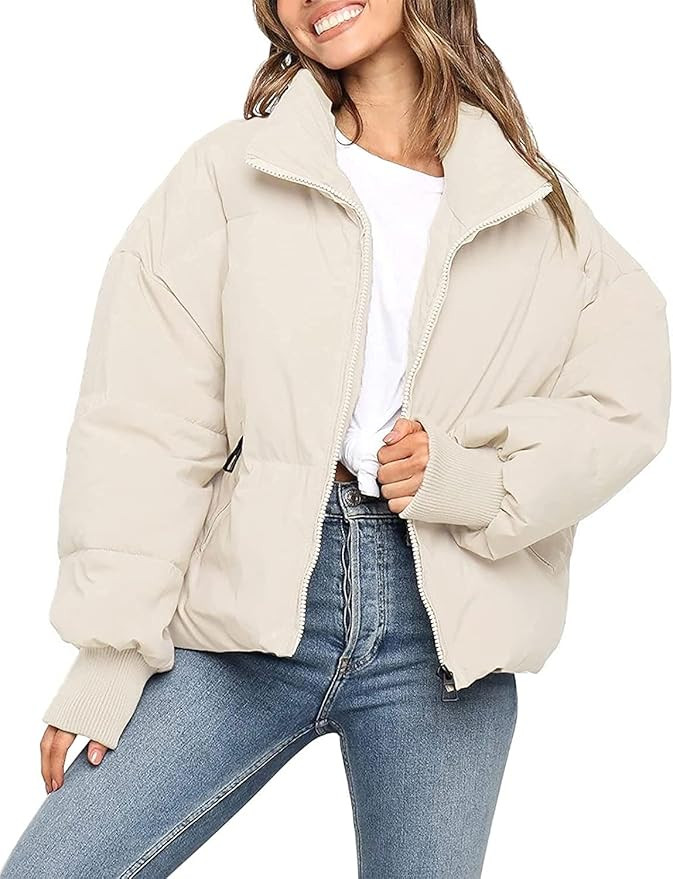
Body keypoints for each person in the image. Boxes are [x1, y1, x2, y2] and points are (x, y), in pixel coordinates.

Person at [2, 1, 670, 877]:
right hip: (246, 607)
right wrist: (110, 652)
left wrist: (475, 478)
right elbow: (145, 424)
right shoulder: (231, 174)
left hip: (445, 638)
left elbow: (628, 395)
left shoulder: (530, 201)